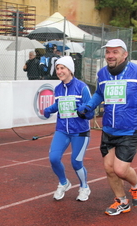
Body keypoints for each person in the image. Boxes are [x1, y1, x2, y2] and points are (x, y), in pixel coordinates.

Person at [78, 39, 137, 216]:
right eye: (108, 52)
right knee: (109, 169)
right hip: (108, 128)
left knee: (120, 170)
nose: (110, 55)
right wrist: (89, 106)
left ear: (125, 54)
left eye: (115, 52)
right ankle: (122, 201)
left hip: (130, 128)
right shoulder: (102, 74)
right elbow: (99, 94)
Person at [43, 56, 95, 201]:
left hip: (80, 132)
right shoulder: (58, 89)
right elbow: (58, 105)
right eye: (57, 68)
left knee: (76, 162)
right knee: (53, 158)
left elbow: (91, 112)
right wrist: (49, 109)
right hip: (62, 130)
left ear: (70, 70)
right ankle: (64, 183)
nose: (59, 71)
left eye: (62, 68)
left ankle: (84, 187)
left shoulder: (82, 87)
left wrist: (84, 110)